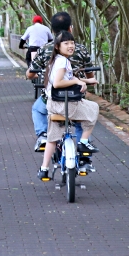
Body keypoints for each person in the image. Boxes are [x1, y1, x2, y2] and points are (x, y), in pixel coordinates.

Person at [26, 11, 96, 153]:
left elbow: (30, 74)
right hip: (76, 97)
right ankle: (84, 149)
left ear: (52, 30)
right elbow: (90, 73)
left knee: (37, 110)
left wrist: (34, 75)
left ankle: (43, 136)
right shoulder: (80, 49)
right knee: (81, 118)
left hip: (52, 98)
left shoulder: (45, 49)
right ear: (71, 28)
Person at [38, 31, 100, 182]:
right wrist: (78, 82)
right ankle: (84, 142)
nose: (71, 46)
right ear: (58, 47)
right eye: (66, 43)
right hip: (64, 105)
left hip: (53, 105)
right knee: (93, 109)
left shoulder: (55, 60)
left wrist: (84, 80)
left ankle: (44, 169)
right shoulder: (63, 62)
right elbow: (59, 83)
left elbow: (67, 77)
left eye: (72, 43)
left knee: (52, 138)